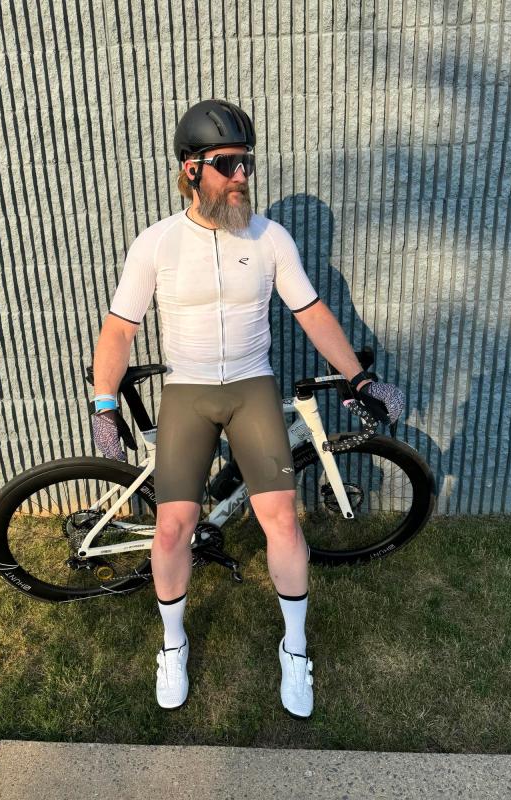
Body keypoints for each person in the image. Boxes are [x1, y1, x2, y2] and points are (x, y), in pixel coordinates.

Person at [91, 99, 404, 718]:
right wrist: (104, 404)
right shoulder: (157, 243)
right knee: (173, 526)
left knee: (282, 521)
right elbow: (120, 328)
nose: (242, 176)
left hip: (251, 387)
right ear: (191, 170)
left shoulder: (269, 238)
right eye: (228, 164)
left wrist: (359, 377)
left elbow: (311, 312)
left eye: (247, 164)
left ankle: (295, 648)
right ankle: (173, 645)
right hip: (188, 391)